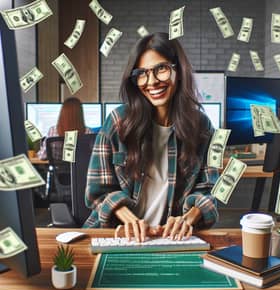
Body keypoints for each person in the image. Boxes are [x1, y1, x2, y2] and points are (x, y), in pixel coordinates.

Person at [84, 32, 219, 242]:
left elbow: (211, 190)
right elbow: (97, 192)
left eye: (161, 69)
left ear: (179, 70)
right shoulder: (118, 122)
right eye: (142, 73)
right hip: (117, 235)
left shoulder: (202, 127)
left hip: (169, 239)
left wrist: (187, 218)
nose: (152, 82)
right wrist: (129, 218)